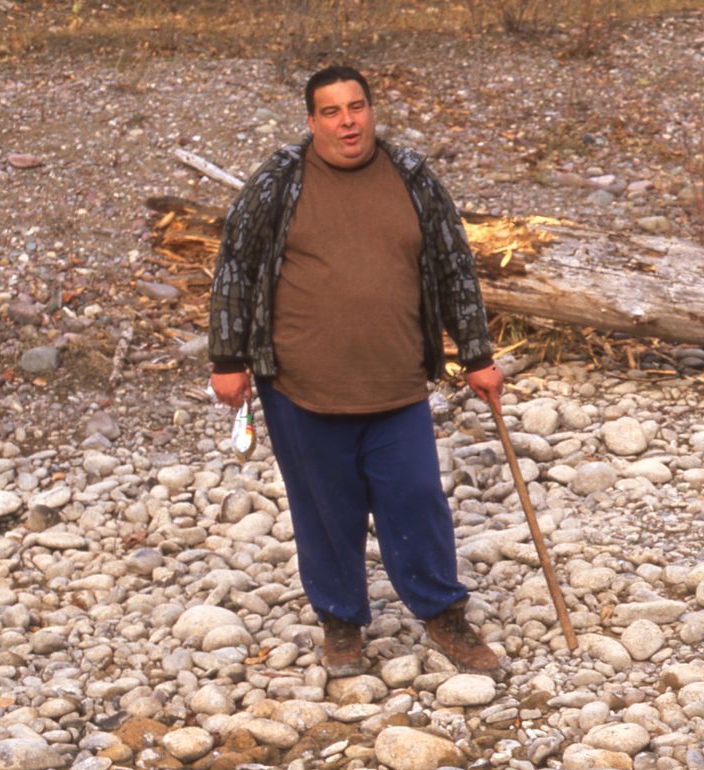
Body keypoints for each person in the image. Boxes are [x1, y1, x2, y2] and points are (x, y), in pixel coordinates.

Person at [208, 64, 503, 678]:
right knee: (324, 510)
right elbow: (235, 267)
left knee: (417, 499)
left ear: (371, 109)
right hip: (300, 387)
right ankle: (341, 624)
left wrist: (477, 355)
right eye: (332, 111)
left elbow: (454, 268)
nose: (348, 121)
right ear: (312, 120)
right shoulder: (279, 180)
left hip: (396, 384)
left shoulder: (413, 176)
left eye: (357, 107)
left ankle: (443, 615)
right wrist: (228, 360)